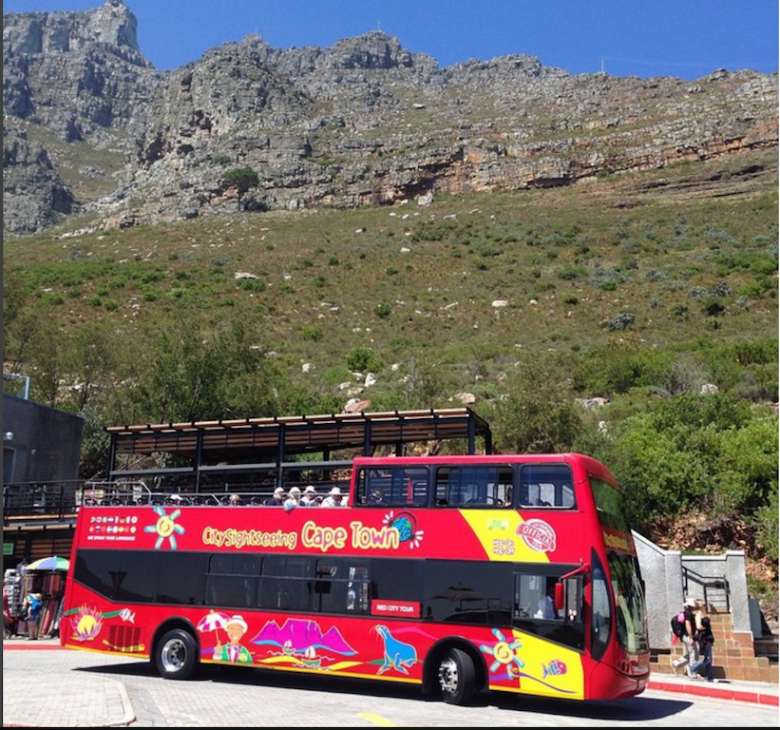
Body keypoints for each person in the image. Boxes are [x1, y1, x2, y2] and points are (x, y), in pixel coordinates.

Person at [672, 597, 698, 671]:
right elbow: (688, 624)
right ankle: (693, 671)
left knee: (693, 652)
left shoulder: (685, 613)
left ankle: (677, 663)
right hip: (687, 636)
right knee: (693, 653)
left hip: (684, 636)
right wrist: (691, 637)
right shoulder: (688, 614)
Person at [687, 615, 715, 681]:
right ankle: (692, 668)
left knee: (709, 660)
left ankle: (709, 677)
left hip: (707, 645)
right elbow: (700, 637)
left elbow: (697, 636)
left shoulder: (703, 629)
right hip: (705, 645)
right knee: (708, 659)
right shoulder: (704, 630)